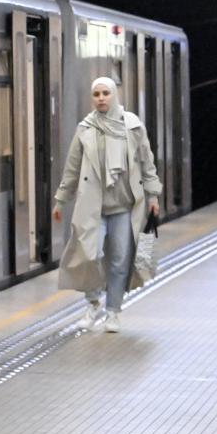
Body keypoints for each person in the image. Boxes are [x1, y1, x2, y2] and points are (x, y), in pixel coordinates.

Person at [52, 77, 162, 334]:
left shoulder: (133, 127)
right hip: (93, 208)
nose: (101, 98)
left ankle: (113, 311)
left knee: (120, 261)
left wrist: (153, 196)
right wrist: (60, 200)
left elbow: (147, 164)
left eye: (105, 93)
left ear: (114, 95)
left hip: (124, 207)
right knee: (90, 255)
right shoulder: (85, 128)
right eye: (96, 94)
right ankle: (93, 303)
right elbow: (72, 169)